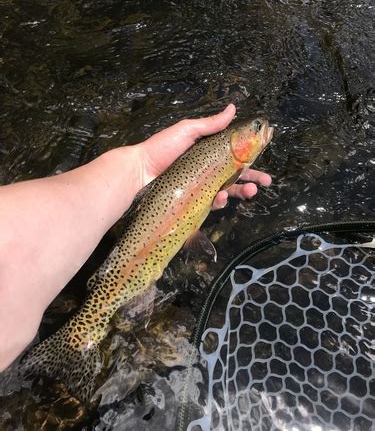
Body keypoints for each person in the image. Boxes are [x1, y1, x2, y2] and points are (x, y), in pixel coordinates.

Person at [0, 104, 271, 371]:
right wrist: (141, 166)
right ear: (237, 141)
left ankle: (76, 340)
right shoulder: (227, 159)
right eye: (256, 129)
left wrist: (140, 165)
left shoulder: (227, 158)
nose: (261, 130)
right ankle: (77, 337)